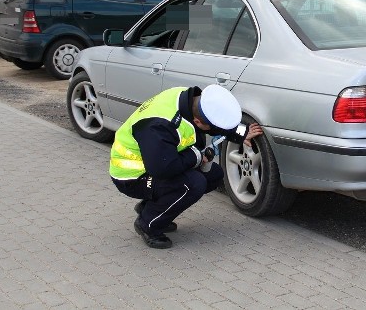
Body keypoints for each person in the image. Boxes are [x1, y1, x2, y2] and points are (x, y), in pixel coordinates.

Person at [109, 85, 263, 249]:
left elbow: (214, 121)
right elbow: (162, 168)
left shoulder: (191, 101)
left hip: (159, 161)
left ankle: (151, 207)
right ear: (197, 121)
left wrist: (240, 132)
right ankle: (148, 223)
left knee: (213, 174)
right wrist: (196, 156)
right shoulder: (158, 126)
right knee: (193, 184)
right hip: (132, 176)